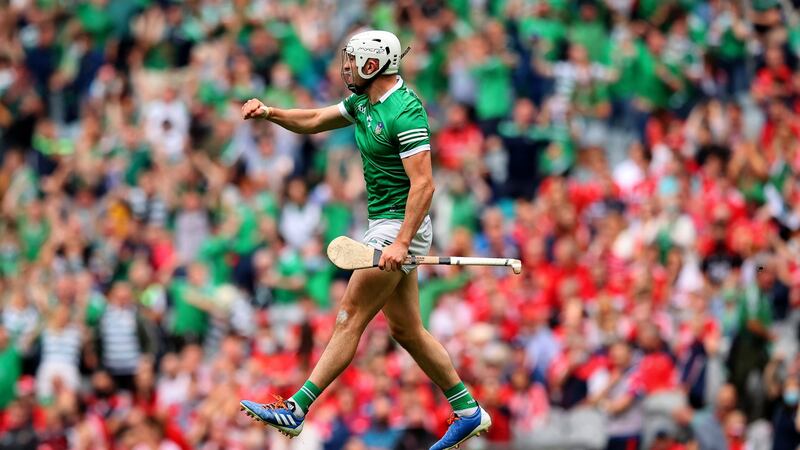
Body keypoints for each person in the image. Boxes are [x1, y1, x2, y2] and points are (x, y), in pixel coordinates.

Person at [238, 29, 491, 449]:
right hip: (384, 225)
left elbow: (424, 186)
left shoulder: (405, 112)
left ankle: (297, 409)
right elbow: (317, 120)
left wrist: (401, 242)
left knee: (349, 315)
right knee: (406, 330)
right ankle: (468, 410)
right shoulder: (363, 102)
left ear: (373, 65)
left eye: (354, 61)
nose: (347, 68)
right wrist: (271, 113)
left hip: (399, 225)